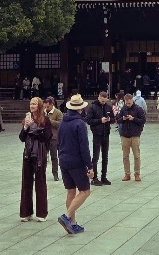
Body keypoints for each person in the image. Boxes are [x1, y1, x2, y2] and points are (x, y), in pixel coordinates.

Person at [55, 94, 93, 235]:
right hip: (76, 162)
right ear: (80, 109)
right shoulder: (79, 124)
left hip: (63, 160)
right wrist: (89, 166)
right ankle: (67, 216)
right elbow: (84, 147)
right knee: (85, 191)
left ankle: (73, 223)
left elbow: (59, 142)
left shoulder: (62, 122)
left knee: (71, 191)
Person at [18, 97, 52, 222]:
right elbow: (22, 138)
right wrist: (26, 127)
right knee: (26, 182)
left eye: (34, 104)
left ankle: (41, 213)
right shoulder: (27, 119)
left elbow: (47, 136)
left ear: (39, 106)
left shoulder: (45, 120)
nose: (32, 106)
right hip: (28, 153)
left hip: (40, 154)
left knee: (40, 182)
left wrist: (35, 128)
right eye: (31, 103)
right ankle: (26, 213)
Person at [84, 92, 114, 186]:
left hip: (106, 134)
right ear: (99, 98)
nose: (103, 102)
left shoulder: (108, 107)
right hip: (97, 134)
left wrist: (109, 120)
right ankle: (94, 177)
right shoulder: (92, 107)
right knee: (96, 157)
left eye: (105, 100)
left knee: (105, 157)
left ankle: (104, 177)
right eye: (102, 100)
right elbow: (88, 120)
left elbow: (114, 118)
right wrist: (99, 121)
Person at [117, 93, 146, 182]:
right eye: (127, 103)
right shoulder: (123, 109)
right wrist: (123, 118)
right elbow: (118, 120)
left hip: (135, 135)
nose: (128, 105)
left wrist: (133, 118)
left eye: (129, 103)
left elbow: (143, 120)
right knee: (125, 156)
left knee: (136, 156)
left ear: (132, 100)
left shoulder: (138, 109)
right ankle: (127, 174)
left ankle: (137, 173)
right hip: (125, 135)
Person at [44, 98, 63, 182]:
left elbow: (61, 124)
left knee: (54, 157)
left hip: (54, 137)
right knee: (42, 157)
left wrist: (50, 121)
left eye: (48, 106)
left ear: (52, 105)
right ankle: (41, 173)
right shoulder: (42, 112)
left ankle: (55, 174)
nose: (46, 108)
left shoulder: (58, 113)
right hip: (43, 138)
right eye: (45, 106)